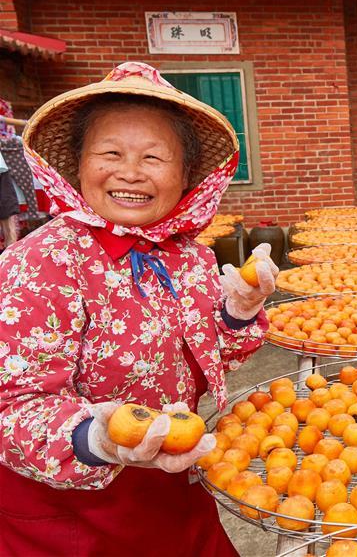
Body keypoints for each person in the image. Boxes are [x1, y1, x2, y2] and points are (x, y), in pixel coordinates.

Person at [0, 62, 279, 555]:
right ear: (79, 164)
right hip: (71, 516)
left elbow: (214, 356)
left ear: (185, 175)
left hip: (174, 489)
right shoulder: (41, 261)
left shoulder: (188, 254)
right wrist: (102, 439)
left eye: (154, 158)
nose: (130, 172)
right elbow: (14, 406)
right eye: (110, 153)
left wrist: (239, 309)